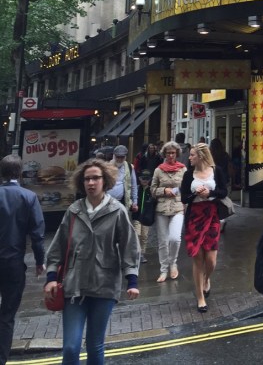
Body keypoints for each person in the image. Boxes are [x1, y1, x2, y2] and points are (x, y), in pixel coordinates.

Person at [44, 158, 140, 365]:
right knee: (71, 347)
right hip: (74, 286)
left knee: (95, 345)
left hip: (104, 287)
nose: (91, 183)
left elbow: (129, 247)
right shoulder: (74, 211)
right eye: (87, 179)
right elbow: (58, 246)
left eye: (95, 178)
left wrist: (132, 281)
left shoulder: (117, 211)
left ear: (105, 181)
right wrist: (51, 277)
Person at [0, 155, 45, 365]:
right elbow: (37, 234)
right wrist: (40, 260)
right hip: (13, 264)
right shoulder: (29, 197)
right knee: (7, 315)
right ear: (19, 173)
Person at [180, 143, 228, 312]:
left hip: (212, 215)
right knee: (198, 257)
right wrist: (195, 193)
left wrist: (210, 193)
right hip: (194, 217)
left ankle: (207, 278)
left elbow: (224, 191)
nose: (189, 158)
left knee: (211, 260)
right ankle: (200, 297)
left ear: (200, 156)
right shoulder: (188, 174)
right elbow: (184, 198)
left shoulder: (216, 171)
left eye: (192, 155)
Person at [150, 141, 186, 282]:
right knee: (163, 241)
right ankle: (163, 269)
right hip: (162, 209)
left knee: (175, 238)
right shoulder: (158, 170)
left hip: (177, 207)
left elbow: (186, 188)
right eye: (168, 153)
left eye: (173, 153)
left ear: (177, 154)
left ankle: (173, 263)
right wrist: (164, 190)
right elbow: (153, 190)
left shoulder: (183, 169)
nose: (171, 155)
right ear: (164, 154)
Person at [132, 171, 154, 264]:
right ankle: (136, 253)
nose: (145, 180)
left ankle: (142, 254)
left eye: (147, 179)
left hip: (147, 217)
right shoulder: (136, 189)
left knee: (144, 236)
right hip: (137, 216)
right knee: (137, 234)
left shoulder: (151, 190)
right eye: (143, 178)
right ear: (139, 179)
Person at [108, 146, 137, 216]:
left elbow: (133, 185)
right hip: (108, 202)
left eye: (122, 157)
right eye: (118, 157)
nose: (119, 159)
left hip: (123, 201)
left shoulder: (130, 167)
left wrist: (135, 202)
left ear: (125, 157)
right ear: (114, 156)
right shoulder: (107, 167)